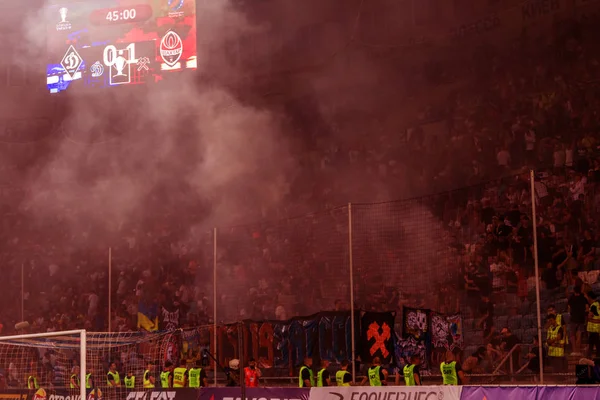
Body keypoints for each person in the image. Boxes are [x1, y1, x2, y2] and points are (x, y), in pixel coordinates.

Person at [587, 294, 600, 358]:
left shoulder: (593, 306)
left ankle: (590, 357)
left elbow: (590, 315)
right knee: (596, 344)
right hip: (597, 328)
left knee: (593, 344)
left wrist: (588, 315)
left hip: (593, 329)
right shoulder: (598, 304)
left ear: (590, 298)